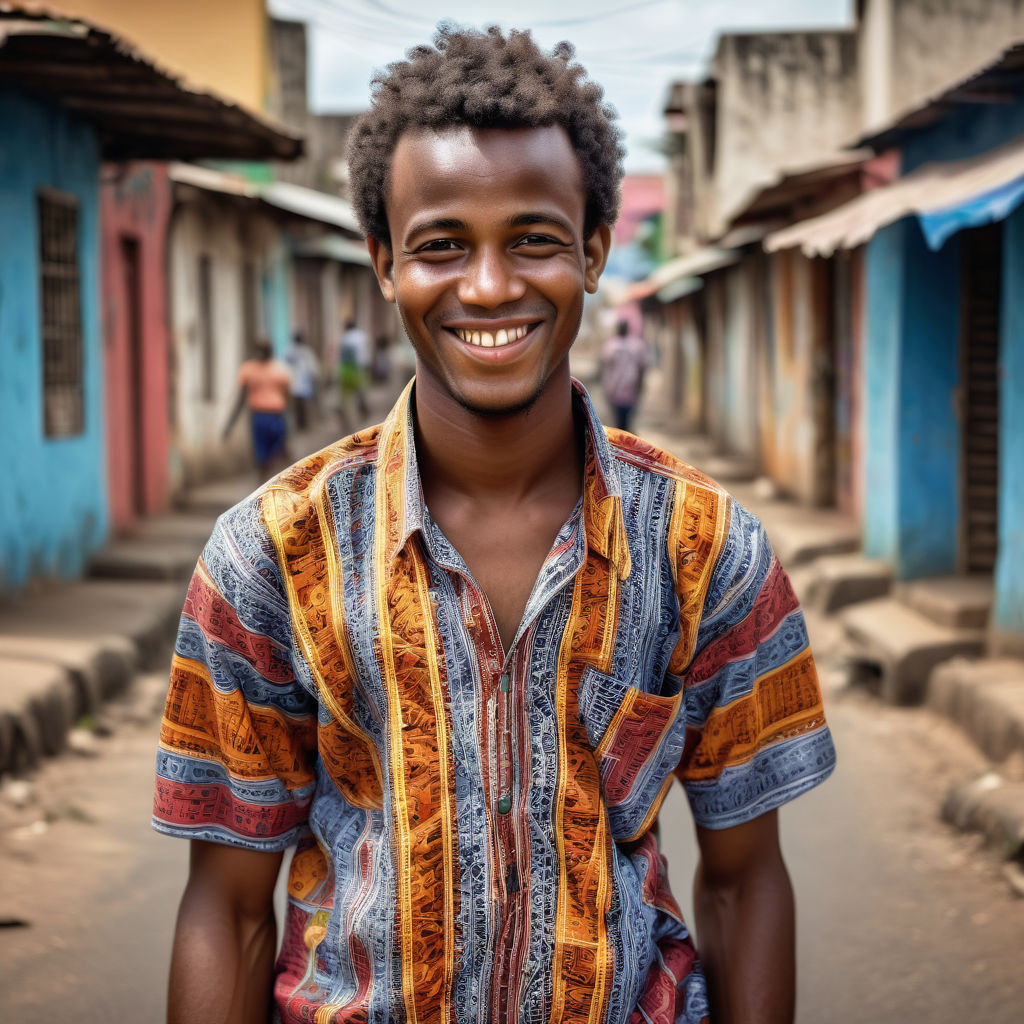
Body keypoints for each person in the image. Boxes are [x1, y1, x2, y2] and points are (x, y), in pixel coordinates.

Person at [155, 26, 835, 1024]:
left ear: (593, 252)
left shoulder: (706, 549)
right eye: (440, 245)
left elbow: (741, 883)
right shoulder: (269, 555)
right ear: (385, 265)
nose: (486, 287)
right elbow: (225, 906)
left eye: (532, 239)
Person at [222, 337, 292, 477]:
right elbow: (242, 398)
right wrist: (230, 423)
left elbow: (287, 395)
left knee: (276, 452)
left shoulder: (279, 370)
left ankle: (270, 476)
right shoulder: (250, 370)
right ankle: (264, 480)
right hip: (260, 416)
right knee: (263, 455)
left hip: (275, 416)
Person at [601, 318, 650, 431]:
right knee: (626, 421)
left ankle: (621, 440)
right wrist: (641, 386)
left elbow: (605, 368)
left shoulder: (611, 346)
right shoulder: (636, 345)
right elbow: (643, 367)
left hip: (615, 389)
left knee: (619, 422)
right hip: (630, 389)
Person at [283, 331, 321, 433]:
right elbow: (312, 367)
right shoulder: (306, 351)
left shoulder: (289, 351)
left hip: (294, 383)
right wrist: (315, 376)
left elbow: (285, 366)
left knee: (297, 406)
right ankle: (305, 425)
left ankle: (300, 425)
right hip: (304, 382)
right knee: (304, 406)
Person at [337, 318, 370, 432]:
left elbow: (344, 358)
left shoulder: (346, 339)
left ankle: (350, 420)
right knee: (361, 392)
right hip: (363, 367)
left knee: (347, 397)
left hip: (350, 369)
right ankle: (364, 410)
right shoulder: (362, 335)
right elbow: (366, 351)